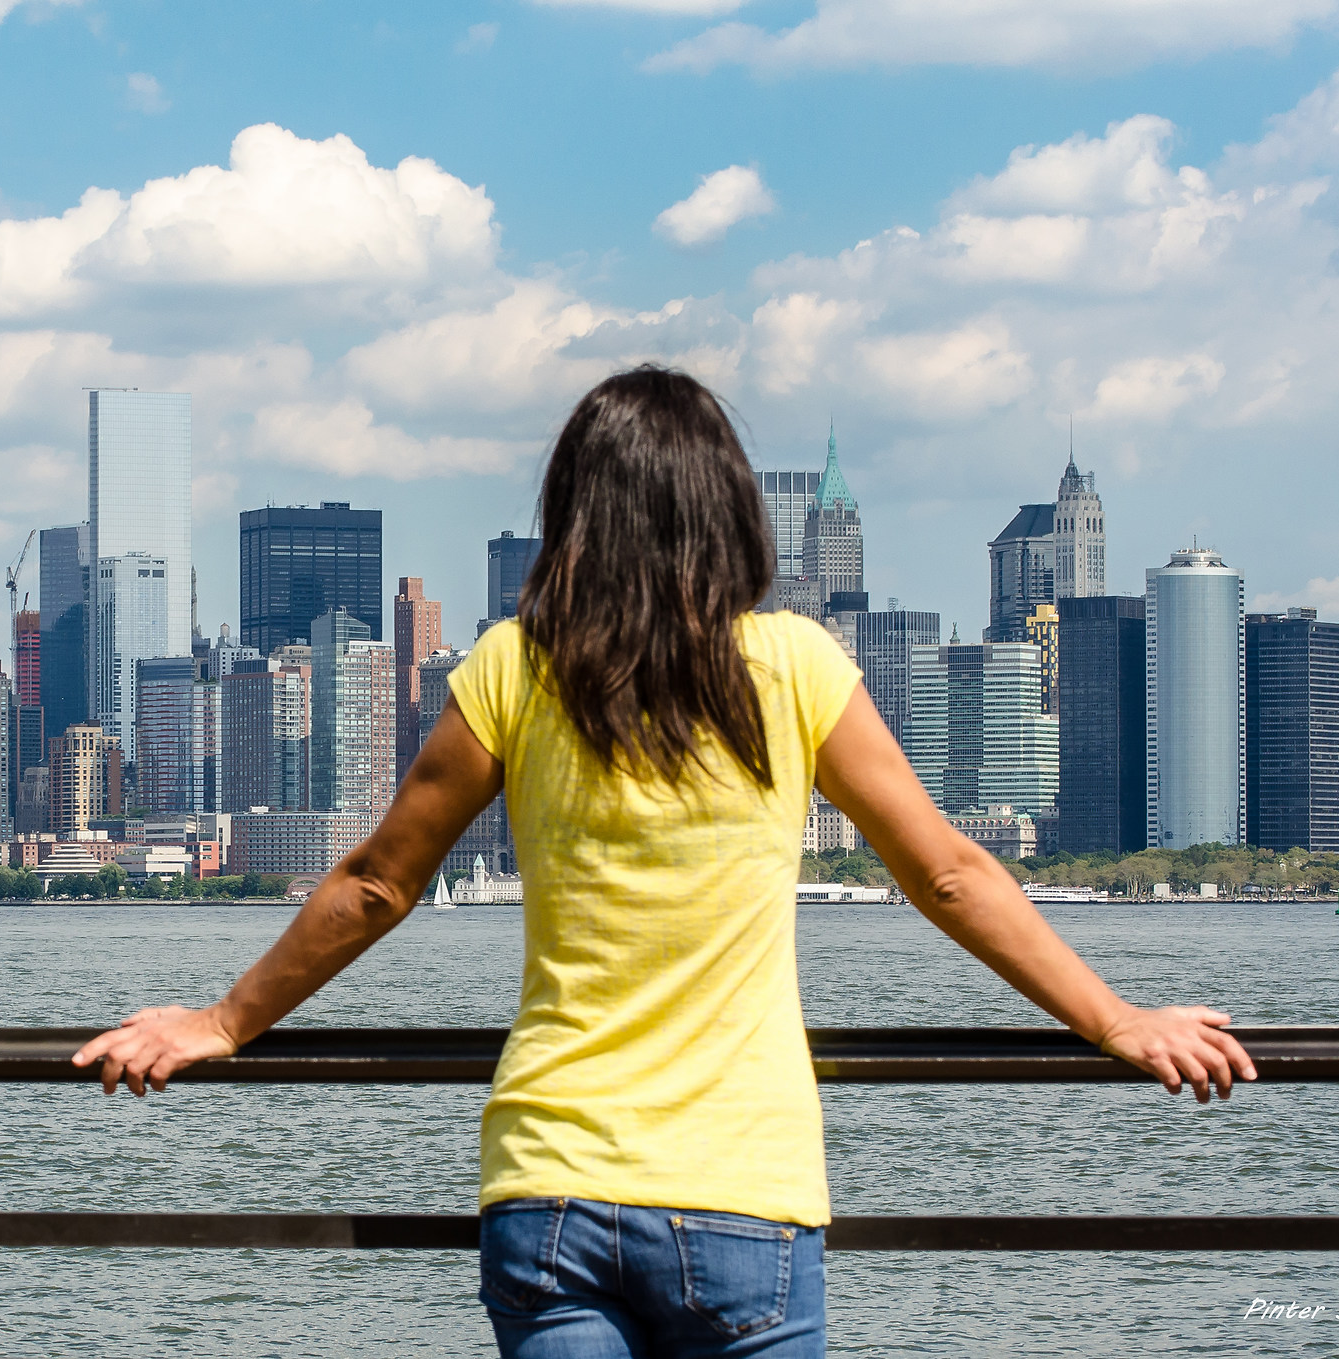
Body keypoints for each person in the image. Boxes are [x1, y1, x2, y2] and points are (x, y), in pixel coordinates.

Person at [72, 366, 1257, 1358]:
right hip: (743, 1194)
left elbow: (380, 880)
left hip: (553, 1187)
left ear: (574, 513)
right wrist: (1115, 1020)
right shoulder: (795, 663)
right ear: (728, 508)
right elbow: (947, 873)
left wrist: (222, 1021)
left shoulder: (512, 666)